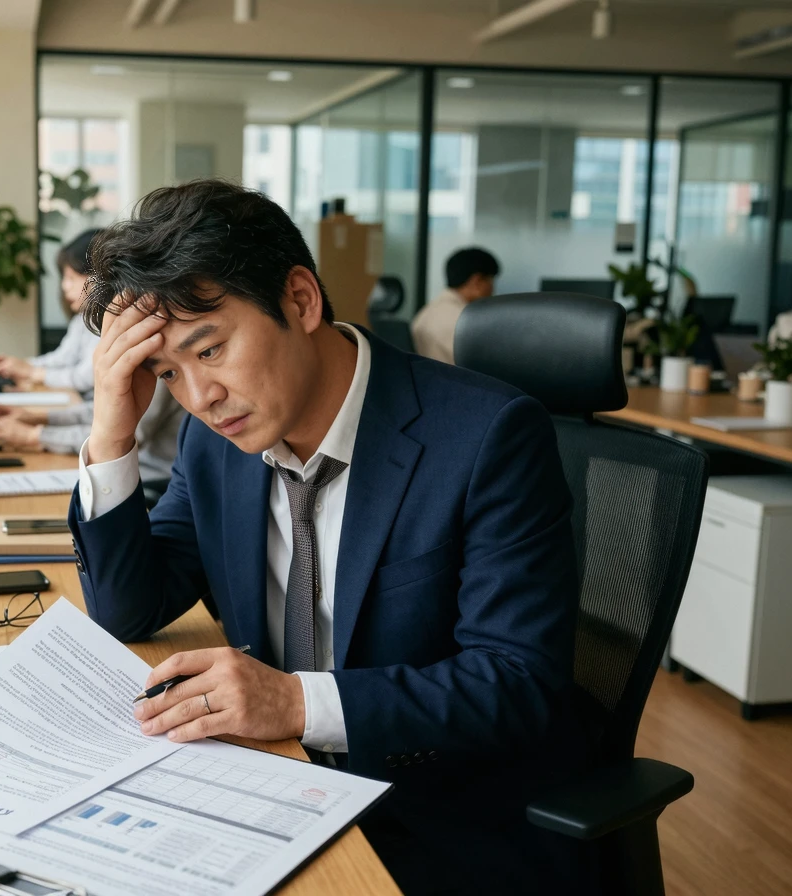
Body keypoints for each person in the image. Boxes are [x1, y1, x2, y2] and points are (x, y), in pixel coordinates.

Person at [67, 181, 590, 895]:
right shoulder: (214, 444)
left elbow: (516, 682)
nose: (199, 396)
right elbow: (128, 608)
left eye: (211, 349)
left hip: (430, 815)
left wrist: (293, 702)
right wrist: (112, 432)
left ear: (301, 300)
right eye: (167, 373)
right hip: (267, 785)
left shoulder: (486, 438)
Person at [0, 380, 183, 482]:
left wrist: (33, 435)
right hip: (125, 471)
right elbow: (103, 412)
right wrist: (39, 418)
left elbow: (123, 434)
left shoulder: (157, 360)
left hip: (151, 477)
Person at [0, 229, 101, 393]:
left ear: (101, 277)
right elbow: (62, 359)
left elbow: (84, 378)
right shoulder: (83, 319)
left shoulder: (110, 322)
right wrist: (19, 365)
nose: (65, 286)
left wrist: (30, 372)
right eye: (64, 278)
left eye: (72, 278)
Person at [411, 247, 500, 365]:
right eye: (490, 281)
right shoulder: (466, 321)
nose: (493, 290)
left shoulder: (425, 313)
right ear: (477, 282)